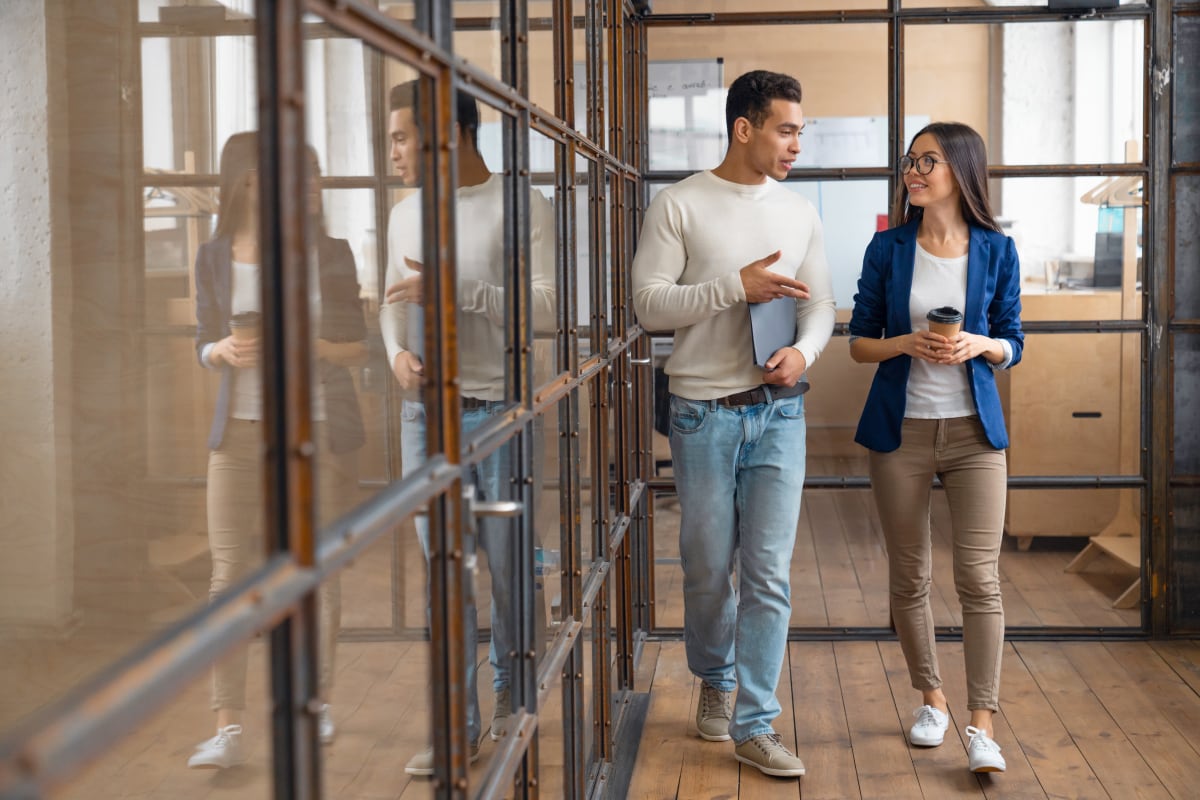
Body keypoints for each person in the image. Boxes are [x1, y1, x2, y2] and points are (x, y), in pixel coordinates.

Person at [632, 69, 836, 779]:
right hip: (702, 416)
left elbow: (821, 308)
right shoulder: (679, 205)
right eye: (785, 129)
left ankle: (756, 721)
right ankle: (715, 679)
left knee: (768, 572)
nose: (796, 145)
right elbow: (649, 307)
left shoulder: (800, 210)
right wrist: (733, 288)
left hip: (781, 413)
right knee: (707, 570)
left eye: (800, 131)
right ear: (744, 128)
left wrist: (801, 351)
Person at [378, 81, 556, 776]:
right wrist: (395, 351)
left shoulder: (520, 204)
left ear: (447, 136)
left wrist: (460, 290)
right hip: (426, 419)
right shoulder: (403, 215)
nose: (392, 151)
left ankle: (514, 703)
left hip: (500, 414)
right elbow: (391, 301)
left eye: (401, 137)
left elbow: (545, 309)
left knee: (511, 574)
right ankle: (458, 722)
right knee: (443, 577)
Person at [848, 121, 1024, 774]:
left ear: (961, 171)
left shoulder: (997, 250)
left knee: (979, 577)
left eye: (928, 160)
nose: (913, 171)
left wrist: (982, 345)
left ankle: (982, 725)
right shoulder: (887, 248)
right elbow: (858, 340)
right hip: (902, 434)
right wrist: (905, 342)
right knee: (910, 574)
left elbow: (1014, 339)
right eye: (910, 160)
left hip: (976, 436)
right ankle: (931, 699)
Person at [188, 133, 367, 768]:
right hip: (236, 435)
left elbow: (359, 348)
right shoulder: (212, 256)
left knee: (314, 572)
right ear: (238, 184)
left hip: (313, 431)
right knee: (227, 577)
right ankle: (227, 727)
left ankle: (312, 705)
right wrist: (221, 352)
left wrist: (309, 343)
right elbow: (204, 339)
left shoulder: (326, 253)